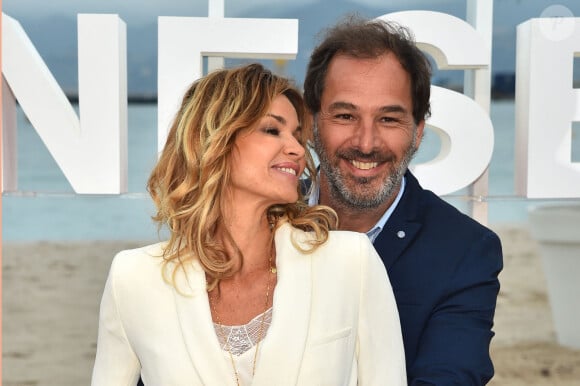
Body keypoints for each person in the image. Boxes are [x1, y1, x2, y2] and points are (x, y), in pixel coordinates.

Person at [91, 63, 406, 385]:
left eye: (297, 135)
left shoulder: (350, 260)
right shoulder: (133, 278)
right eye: (272, 130)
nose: (297, 149)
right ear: (214, 141)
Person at [303, 15, 503, 385]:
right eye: (345, 115)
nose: (366, 142)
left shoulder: (464, 251)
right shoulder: (262, 221)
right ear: (311, 123)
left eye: (389, 119)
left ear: (418, 132)